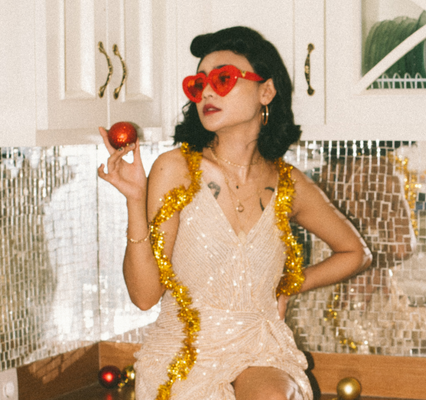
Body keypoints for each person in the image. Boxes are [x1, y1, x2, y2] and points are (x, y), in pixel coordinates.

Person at [97, 26, 371, 400]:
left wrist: (289, 285)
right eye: (198, 85)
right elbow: (145, 296)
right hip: (184, 358)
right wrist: (135, 200)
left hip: (259, 347)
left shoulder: (289, 184)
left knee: (276, 395)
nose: (207, 91)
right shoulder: (175, 169)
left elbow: (355, 253)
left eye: (223, 79)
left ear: (266, 91)